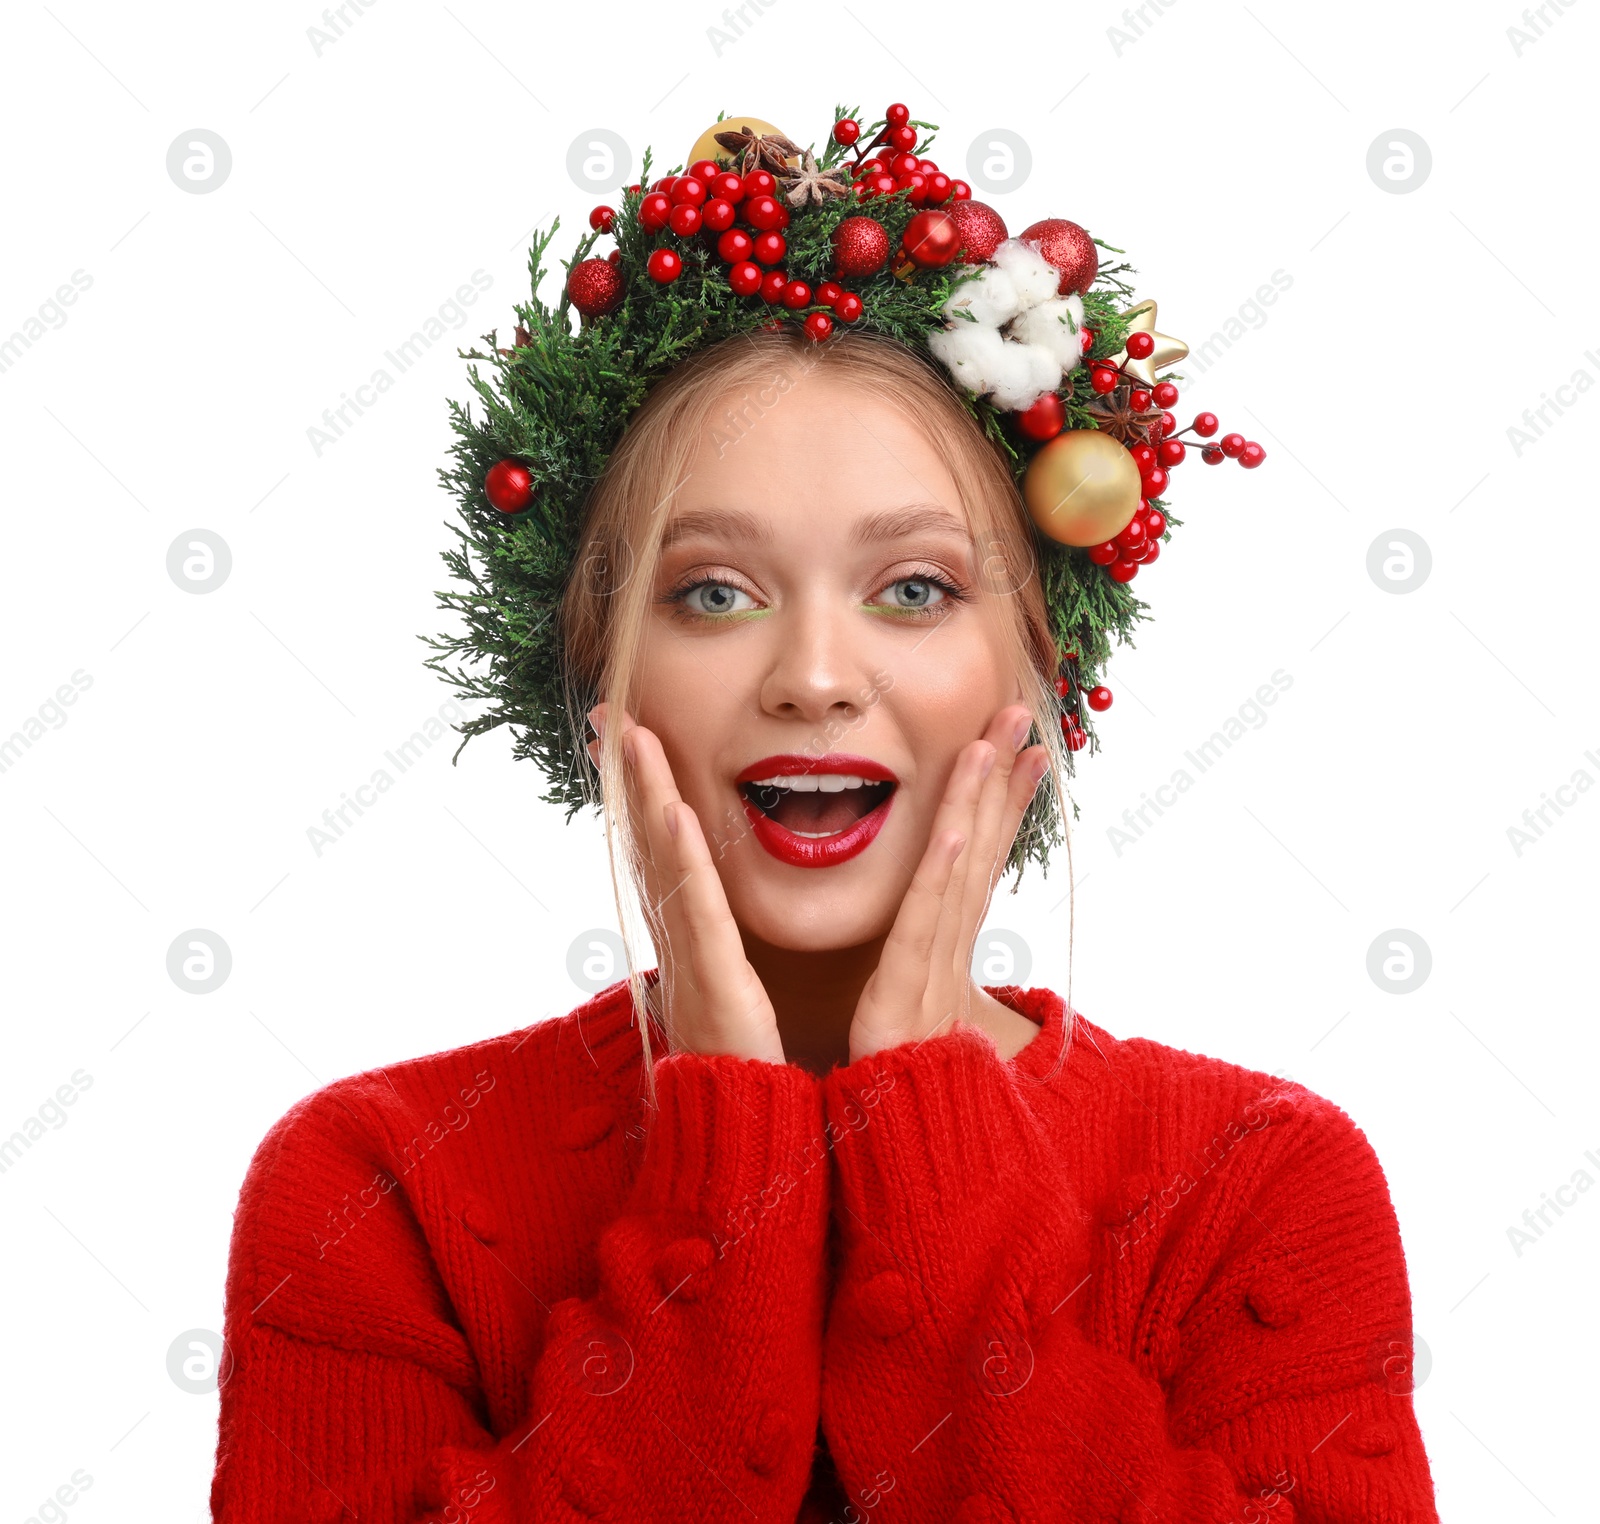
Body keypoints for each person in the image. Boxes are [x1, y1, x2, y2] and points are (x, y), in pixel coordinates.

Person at [208, 110, 1442, 1523]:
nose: (809, 679)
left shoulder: (1264, 1185)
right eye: (712, 594)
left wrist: (929, 1136)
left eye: (913, 589)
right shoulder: (376, 1189)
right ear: (595, 670)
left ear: (1038, 667)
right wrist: (723, 1159)